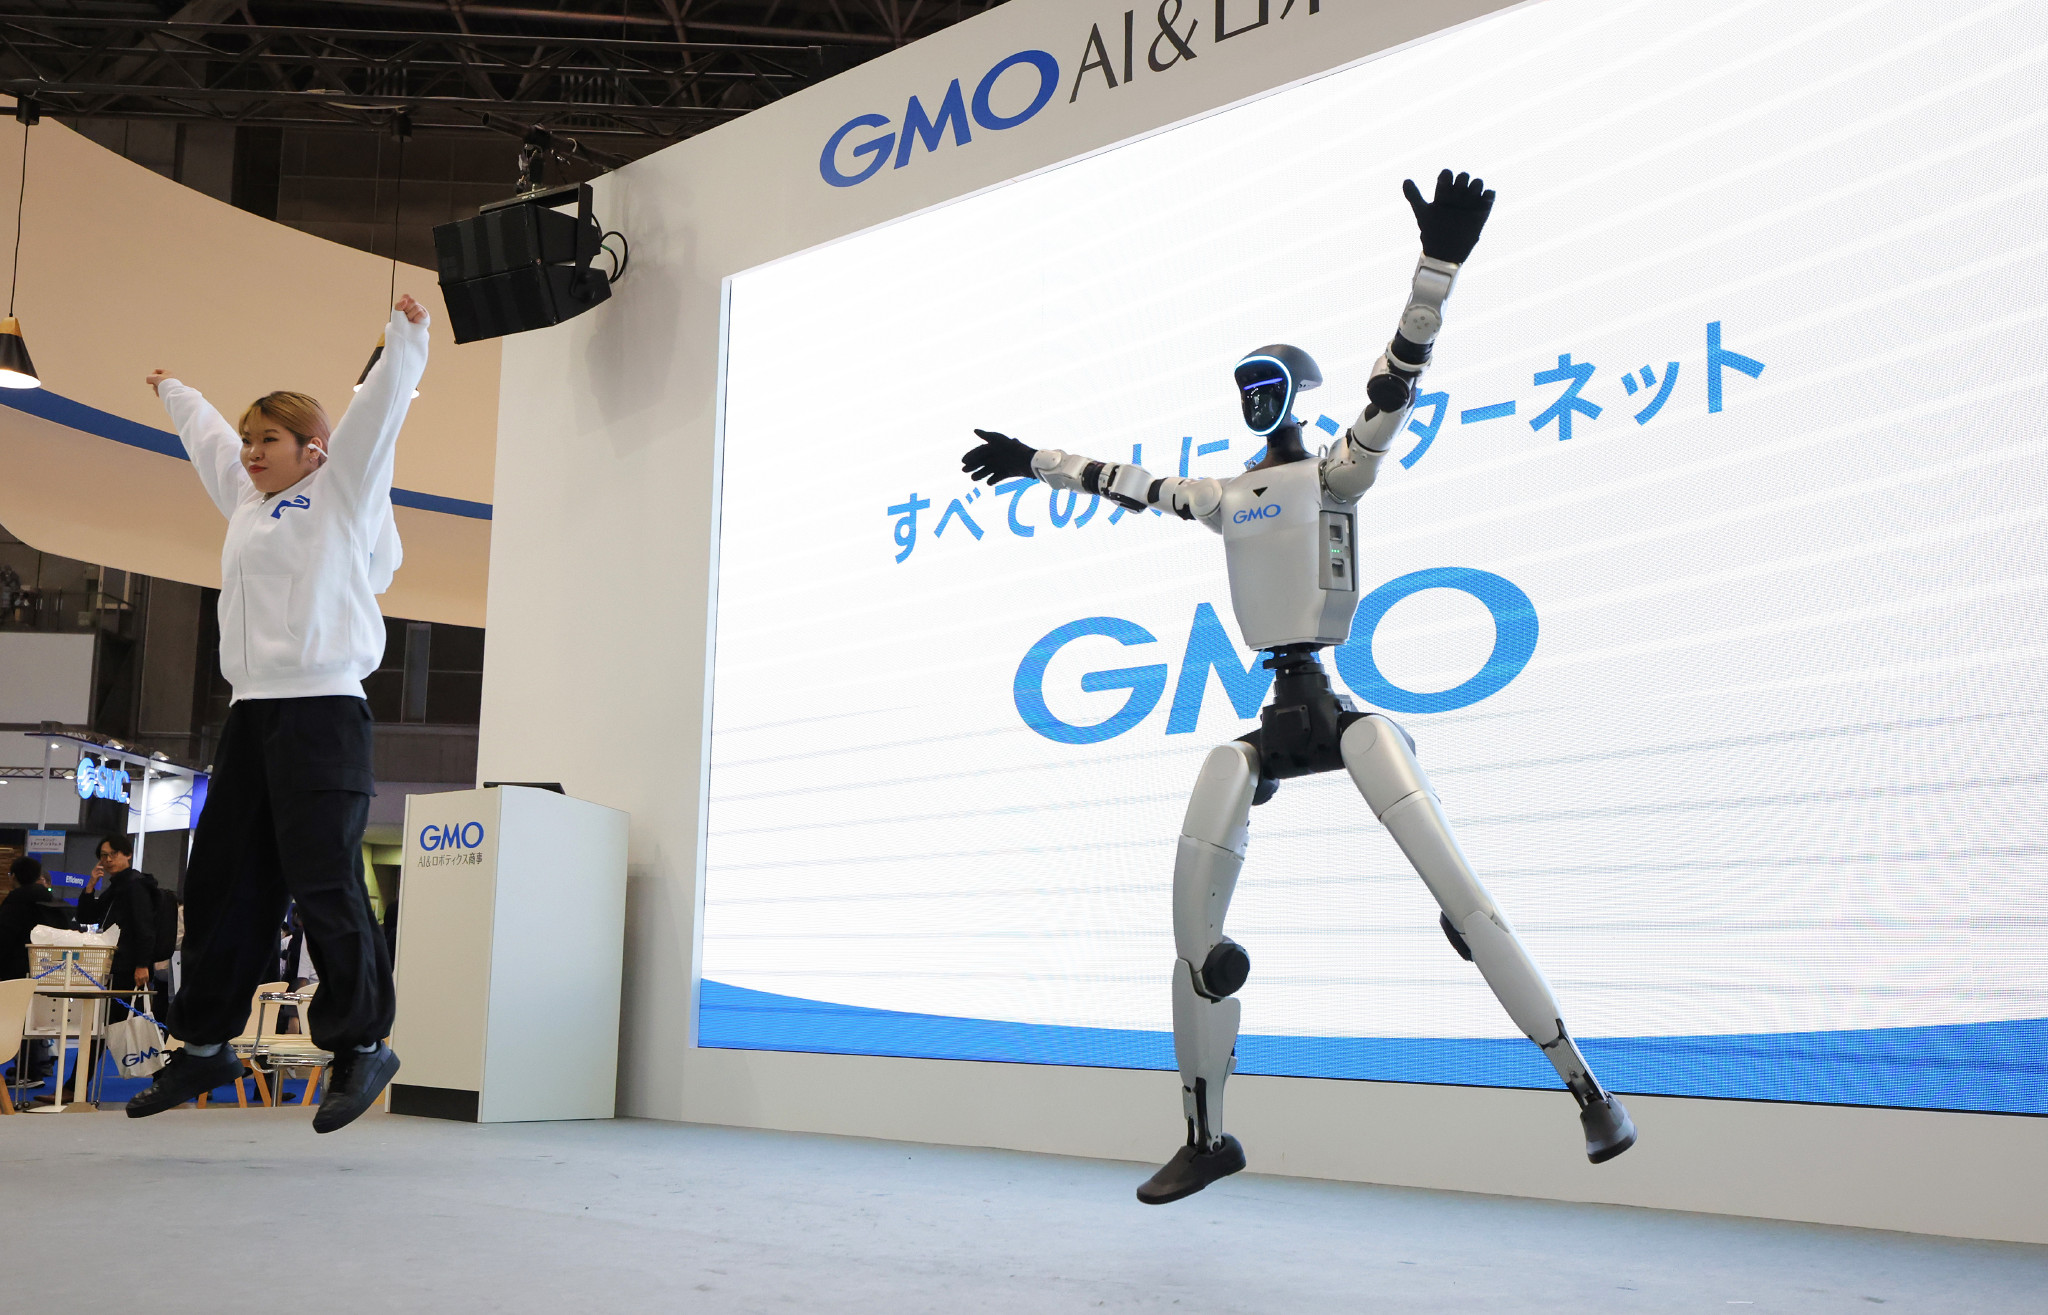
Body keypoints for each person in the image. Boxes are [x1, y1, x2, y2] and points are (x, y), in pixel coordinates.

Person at [958, 171, 1636, 1205]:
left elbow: (1393, 388)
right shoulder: (1225, 493)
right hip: (1271, 714)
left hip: (1337, 707)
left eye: (1265, 381)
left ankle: (1586, 1089)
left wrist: (1435, 271)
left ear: (1292, 392)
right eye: (1242, 384)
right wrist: (1033, 459)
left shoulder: (1334, 472)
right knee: (1194, 928)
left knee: (1462, 898)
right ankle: (1205, 1134)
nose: (1252, 396)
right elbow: (1122, 482)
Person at [123, 294, 430, 1132]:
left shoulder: (341, 491)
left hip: (324, 712)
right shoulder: (247, 502)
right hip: (251, 717)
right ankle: (204, 1043)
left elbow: (378, 416)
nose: (251, 452)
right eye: (250, 438)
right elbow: (208, 442)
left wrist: (404, 339)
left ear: (314, 449)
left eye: (269, 439)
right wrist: (176, 391)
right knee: (223, 883)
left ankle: (360, 1043)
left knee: (324, 879)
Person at [1, 857, 79, 1084]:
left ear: (14, 876)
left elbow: (4, 937)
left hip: (16, 970)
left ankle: (28, 1070)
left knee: (19, 1021)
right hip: (48, 970)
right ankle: (38, 1066)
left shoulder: (16, 902)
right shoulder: (53, 902)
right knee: (37, 1020)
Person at [75, 834, 157, 1018]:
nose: (108, 860)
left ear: (128, 854)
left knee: (126, 1019)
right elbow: (86, 916)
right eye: (104, 856)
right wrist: (91, 885)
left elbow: (144, 927)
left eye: (114, 854)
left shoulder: (136, 885)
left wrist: (142, 964)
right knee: (110, 1019)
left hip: (130, 966)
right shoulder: (116, 887)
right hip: (114, 964)